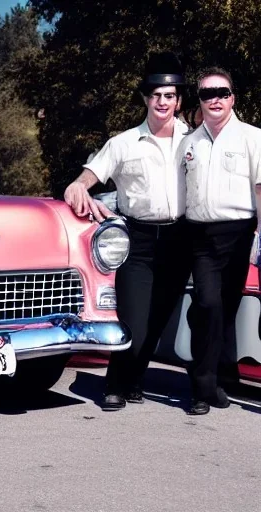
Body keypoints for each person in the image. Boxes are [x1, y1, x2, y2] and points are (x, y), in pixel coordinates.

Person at [64, 51, 191, 410]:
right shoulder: (123, 143)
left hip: (179, 239)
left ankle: (136, 380)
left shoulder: (194, 141)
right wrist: (80, 190)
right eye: (155, 95)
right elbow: (87, 178)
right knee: (133, 322)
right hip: (139, 242)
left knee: (158, 321)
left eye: (169, 95)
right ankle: (114, 384)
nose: (162, 101)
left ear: (178, 99)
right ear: (145, 98)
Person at [179, 67, 261, 415]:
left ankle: (213, 381)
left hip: (239, 234)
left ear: (232, 97)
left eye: (222, 92)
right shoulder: (188, 143)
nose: (215, 98)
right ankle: (201, 390)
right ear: (199, 100)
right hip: (200, 236)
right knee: (207, 304)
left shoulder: (253, 137)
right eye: (207, 93)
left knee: (224, 311)